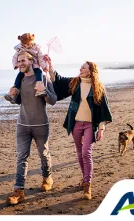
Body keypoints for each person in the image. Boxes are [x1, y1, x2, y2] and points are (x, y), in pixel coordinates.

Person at [46, 55, 112, 200]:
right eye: (81, 67)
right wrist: (50, 66)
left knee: (86, 153)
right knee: (79, 151)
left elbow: (103, 109)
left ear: (90, 71)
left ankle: (87, 184)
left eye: (83, 67)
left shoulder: (98, 88)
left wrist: (101, 128)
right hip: (76, 123)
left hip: (90, 125)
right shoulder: (75, 83)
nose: (80, 69)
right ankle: (84, 178)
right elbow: (58, 79)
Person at [5, 52, 57, 205]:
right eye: (18, 61)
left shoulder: (43, 78)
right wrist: (12, 95)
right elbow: (18, 101)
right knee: (22, 157)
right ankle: (19, 191)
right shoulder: (20, 79)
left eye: (23, 61)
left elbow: (52, 100)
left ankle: (47, 178)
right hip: (22, 125)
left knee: (43, 154)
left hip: (41, 125)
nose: (20, 63)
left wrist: (44, 90)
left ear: (31, 61)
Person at [4, 33, 49, 104]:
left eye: (28, 44)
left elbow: (40, 58)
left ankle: (39, 89)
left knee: (39, 73)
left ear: (32, 41)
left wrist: (44, 67)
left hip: (35, 66)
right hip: (25, 67)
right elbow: (15, 57)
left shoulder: (37, 48)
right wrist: (16, 65)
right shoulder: (20, 48)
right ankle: (14, 92)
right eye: (25, 44)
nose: (27, 46)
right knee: (19, 77)